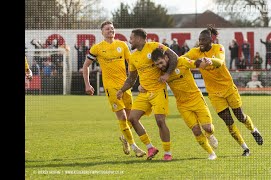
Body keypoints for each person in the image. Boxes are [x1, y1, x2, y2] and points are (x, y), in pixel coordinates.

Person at [182, 26, 264, 156]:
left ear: (210, 40)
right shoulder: (195, 51)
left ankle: (253, 130)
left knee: (240, 117)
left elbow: (220, 61)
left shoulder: (218, 48)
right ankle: (245, 148)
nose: (201, 42)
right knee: (228, 122)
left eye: (203, 40)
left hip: (228, 88)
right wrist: (185, 61)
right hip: (214, 94)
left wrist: (210, 61)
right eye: (199, 40)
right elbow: (182, 59)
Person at [141, 48, 219, 160]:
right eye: (157, 64)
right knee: (196, 130)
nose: (160, 66)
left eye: (161, 62)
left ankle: (209, 134)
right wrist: (141, 86)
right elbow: (150, 80)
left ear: (166, 57)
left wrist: (204, 62)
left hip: (197, 99)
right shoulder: (160, 72)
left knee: (208, 128)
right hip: (182, 105)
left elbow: (195, 63)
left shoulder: (181, 61)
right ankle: (211, 153)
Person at [82, 21, 146, 158]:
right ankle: (135, 147)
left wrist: (141, 81)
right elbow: (86, 66)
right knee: (122, 117)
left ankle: (125, 138)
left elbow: (132, 63)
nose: (110, 30)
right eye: (107, 29)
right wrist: (87, 84)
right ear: (102, 32)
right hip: (110, 87)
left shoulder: (122, 45)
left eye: (112, 28)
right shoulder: (97, 48)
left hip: (125, 86)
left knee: (130, 118)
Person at [116, 28, 178, 161]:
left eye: (131, 38)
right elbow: (131, 78)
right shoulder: (133, 57)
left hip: (158, 91)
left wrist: (167, 74)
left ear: (139, 38)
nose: (130, 40)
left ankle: (167, 153)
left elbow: (174, 57)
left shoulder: (154, 46)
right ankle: (150, 148)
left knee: (160, 121)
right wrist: (122, 90)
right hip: (144, 93)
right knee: (132, 118)